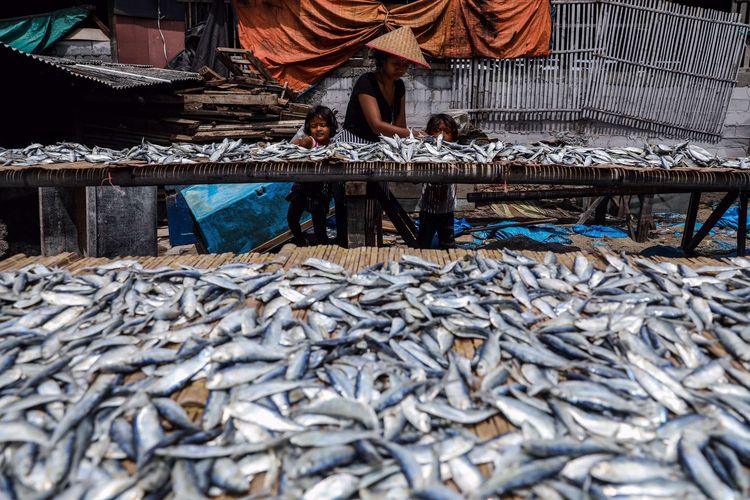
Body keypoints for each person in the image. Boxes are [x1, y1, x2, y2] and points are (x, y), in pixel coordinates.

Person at [333, 26, 430, 245]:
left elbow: (399, 125)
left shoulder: (400, 87)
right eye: (396, 64)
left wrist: (411, 142)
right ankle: (345, 246)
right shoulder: (366, 82)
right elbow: (377, 125)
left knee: (375, 203)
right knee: (349, 203)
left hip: (378, 147)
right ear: (382, 61)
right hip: (352, 146)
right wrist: (413, 134)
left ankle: (371, 244)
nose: (401, 69)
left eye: (405, 65)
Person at [285, 105, 337, 246]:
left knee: (319, 224)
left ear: (331, 127)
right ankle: (301, 241)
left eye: (323, 125)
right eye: (314, 126)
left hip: (320, 193)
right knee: (292, 218)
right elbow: (299, 143)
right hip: (301, 189)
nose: (318, 129)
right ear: (309, 128)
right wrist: (300, 142)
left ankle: (323, 246)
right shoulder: (311, 141)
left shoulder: (333, 146)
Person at [418, 113, 459, 249]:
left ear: (453, 136)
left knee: (448, 246)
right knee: (423, 245)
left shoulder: (456, 153)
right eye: (437, 131)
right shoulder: (425, 152)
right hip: (428, 208)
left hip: (448, 209)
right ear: (429, 134)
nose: (442, 135)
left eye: (446, 132)